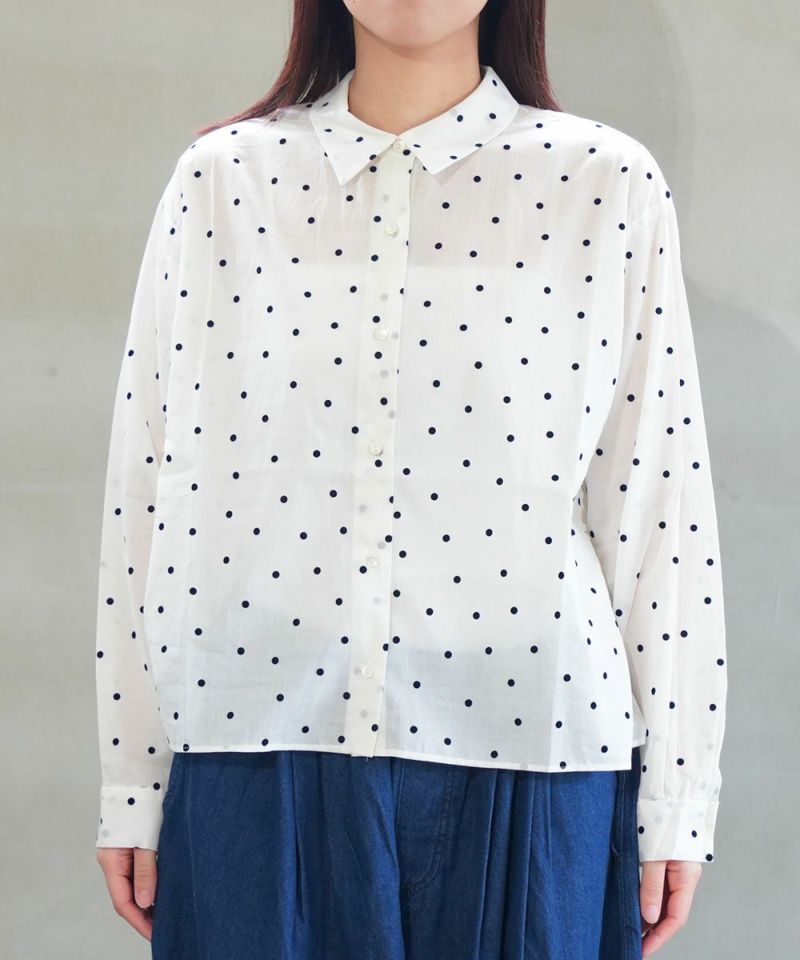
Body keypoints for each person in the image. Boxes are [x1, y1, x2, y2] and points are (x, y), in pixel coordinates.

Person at [94, 2, 728, 958]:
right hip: (257, 749)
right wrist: (132, 779)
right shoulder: (222, 182)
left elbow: (657, 501)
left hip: (534, 753)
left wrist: (677, 795)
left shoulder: (605, 183)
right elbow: (149, 486)